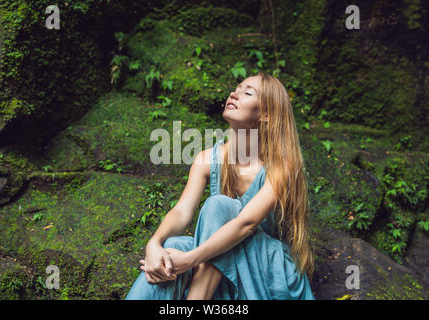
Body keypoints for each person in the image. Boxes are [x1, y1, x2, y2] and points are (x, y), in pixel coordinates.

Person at [124, 71, 315, 300]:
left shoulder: (282, 166)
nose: (234, 94)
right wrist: (153, 244)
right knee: (171, 245)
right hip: (224, 268)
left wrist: (191, 259)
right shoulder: (207, 159)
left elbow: (247, 224)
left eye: (247, 92)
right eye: (236, 88)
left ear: (265, 114)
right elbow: (181, 212)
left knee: (218, 206)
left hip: (266, 273)